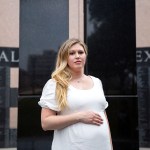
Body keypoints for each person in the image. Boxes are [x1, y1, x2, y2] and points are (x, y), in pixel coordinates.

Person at [38, 38, 113, 150]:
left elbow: (103, 117)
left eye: (81, 52)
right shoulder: (55, 84)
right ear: (65, 58)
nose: (77, 56)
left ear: (85, 56)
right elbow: (46, 123)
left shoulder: (97, 82)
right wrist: (79, 117)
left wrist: (110, 146)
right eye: (72, 53)